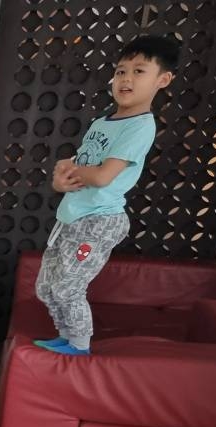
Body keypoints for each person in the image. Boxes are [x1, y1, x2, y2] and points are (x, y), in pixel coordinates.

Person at [36, 35, 179, 356]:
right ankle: (65, 336)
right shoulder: (103, 122)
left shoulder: (140, 126)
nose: (126, 78)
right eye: (121, 71)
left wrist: (71, 169)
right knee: (46, 287)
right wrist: (62, 179)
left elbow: (102, 176)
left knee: (68, 286)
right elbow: (76, 169)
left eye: (139, 71)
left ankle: (79, 345)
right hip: (73, 215)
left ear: (163, 80)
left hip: (99, 221)